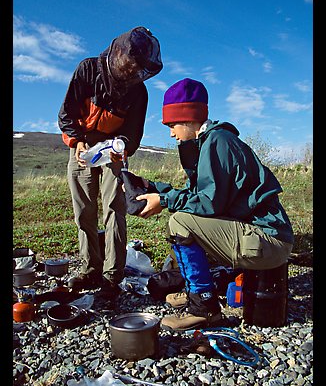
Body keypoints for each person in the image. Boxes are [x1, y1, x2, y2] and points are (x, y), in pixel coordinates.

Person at [133, 78, 294, 331]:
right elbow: (198, 194)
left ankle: (204, 308)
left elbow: (208, 204)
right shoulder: (212, 142)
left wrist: (164, 201)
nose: (171, 132)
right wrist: (153, 188)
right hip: (263, 238)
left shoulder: (218, 142)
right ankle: (195, 291)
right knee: (185, 216)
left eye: (172, 124)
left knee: (180, 222)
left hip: (269, 242)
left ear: (188, 118)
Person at [58, 26, 163, 301]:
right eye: (128, 64)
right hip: (81, 145)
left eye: (136, 68)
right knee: (84, 210)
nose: (130, 72)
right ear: (117, 53)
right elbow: (66, 112)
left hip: (113, 150)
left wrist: (123, 147)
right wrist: (78, 140)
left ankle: (111, 276)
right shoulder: (87, 70)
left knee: (116, 209)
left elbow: (133, 131)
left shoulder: (138, 92)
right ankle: (90, 268)